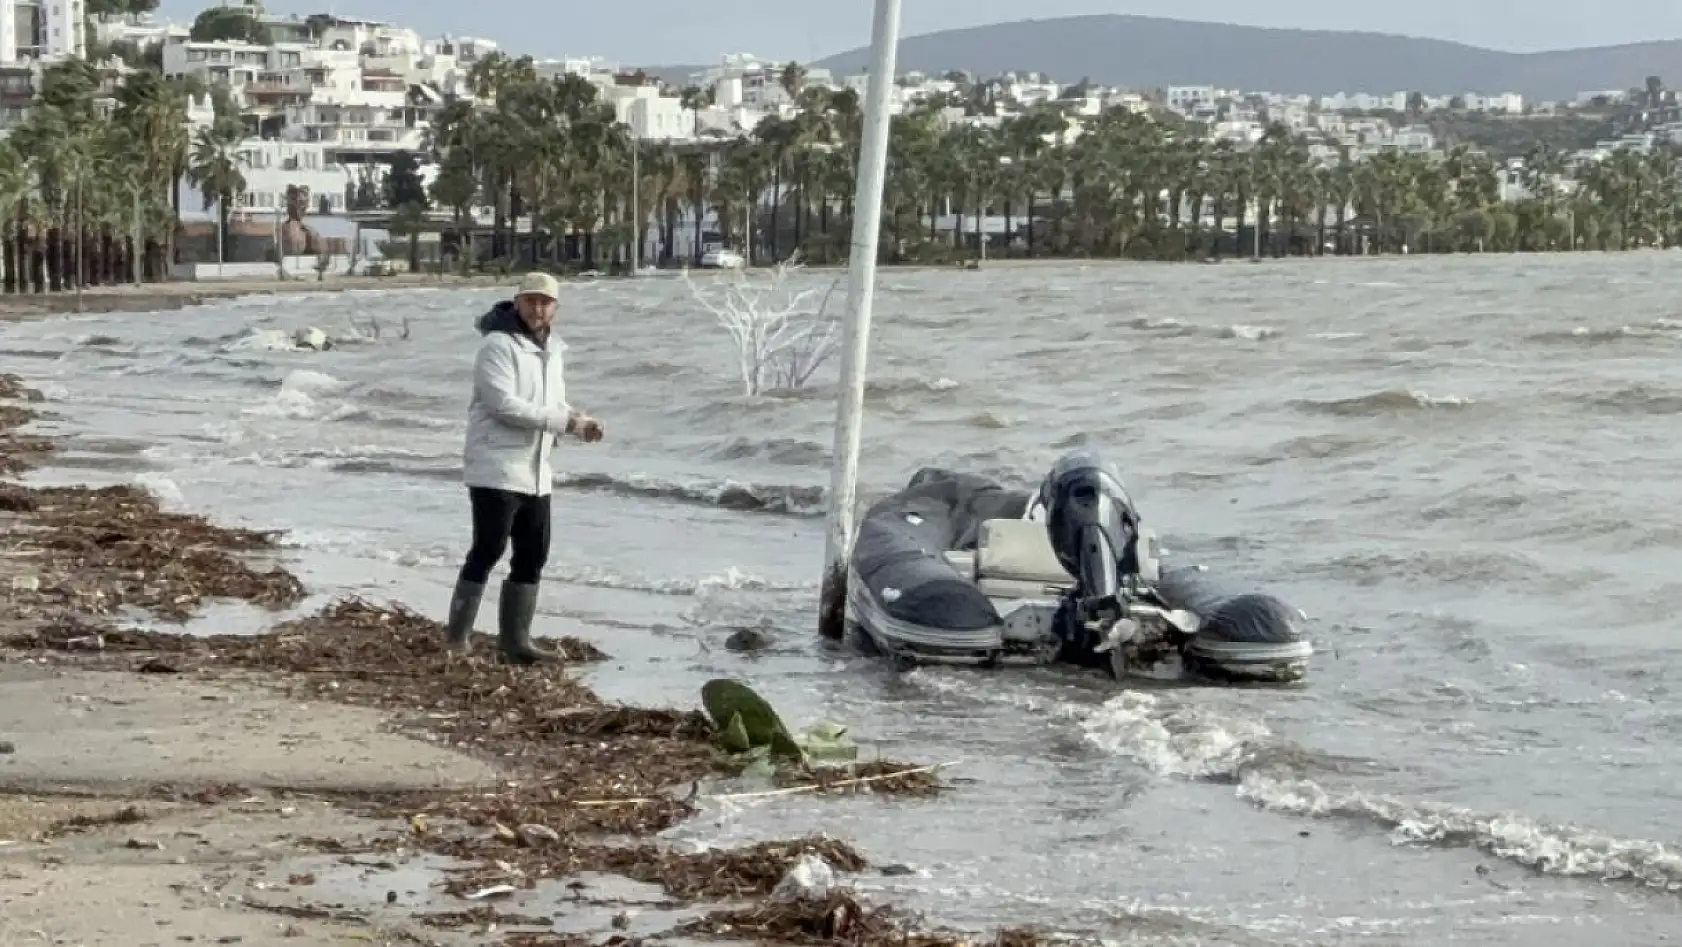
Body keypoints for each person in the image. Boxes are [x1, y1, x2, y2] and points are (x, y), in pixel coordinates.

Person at [444, 272, 604, 664]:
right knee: (488, 548)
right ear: (516, 302)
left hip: (537, 471)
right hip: (496, 466)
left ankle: (516, 643)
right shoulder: (497, 346)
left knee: (533, 554)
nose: (537, 308)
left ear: (555, 308)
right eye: (530, 300)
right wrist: (564, 422)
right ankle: (457, 641)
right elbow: (504, 406)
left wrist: (580, 420)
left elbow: (554, 403)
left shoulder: (554, 350)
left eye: (545, 302)